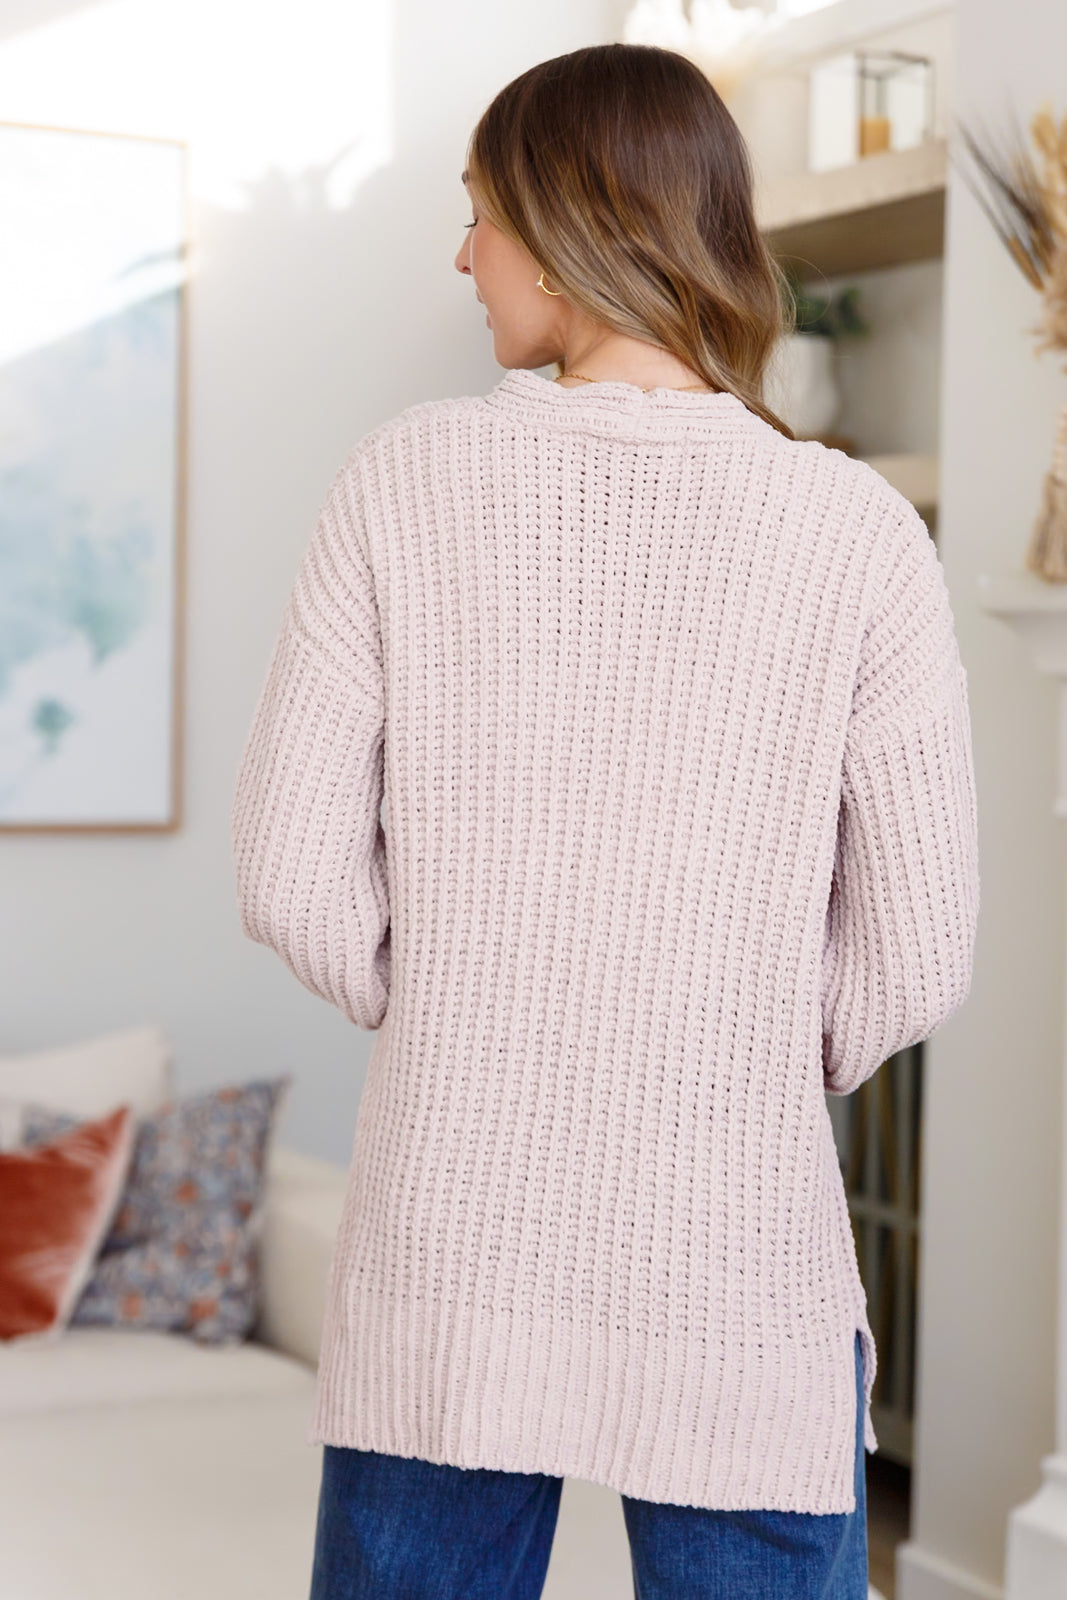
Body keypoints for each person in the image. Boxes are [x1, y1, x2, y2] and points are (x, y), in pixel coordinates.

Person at [230, 41, 980, 1600]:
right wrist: (737, 1038)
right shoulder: (855, 529)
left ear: (571, 216)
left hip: (453, 1244)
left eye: (478, 213)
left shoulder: (401, 483)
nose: (460, 256)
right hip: (739, 1262)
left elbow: (295, 876)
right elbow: (916, 950)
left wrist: (468, 1004)